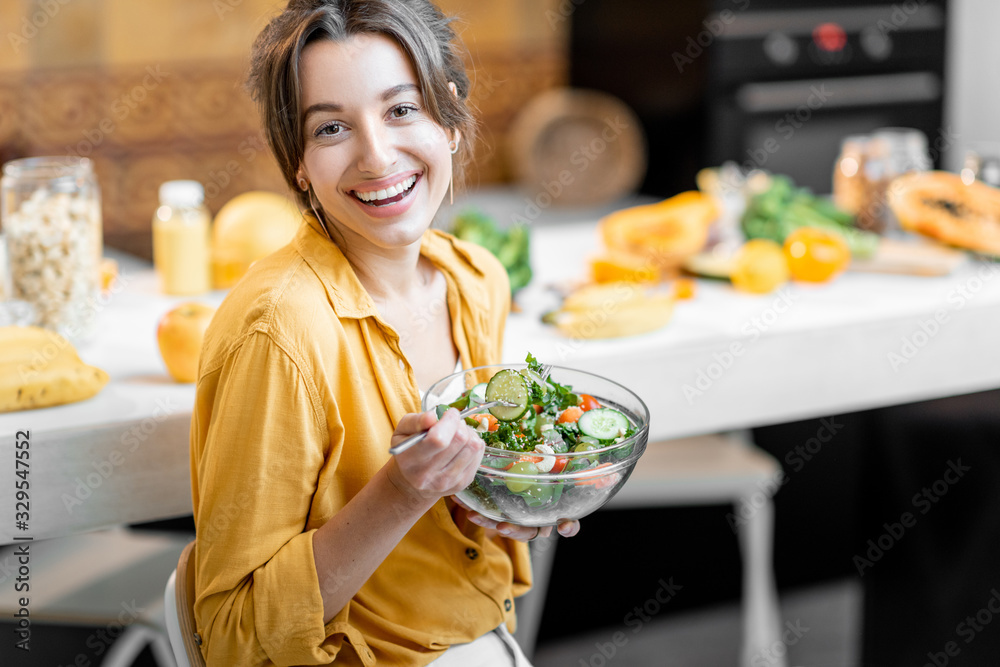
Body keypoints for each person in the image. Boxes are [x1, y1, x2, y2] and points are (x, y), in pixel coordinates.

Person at [188, 1, 579, 665]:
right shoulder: (279, 330)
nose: (377, 155)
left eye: (402, 110)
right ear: (299, 165)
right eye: (333, 127)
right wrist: (401, 490)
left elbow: (460, 527)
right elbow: (232, 636)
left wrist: (515, 499)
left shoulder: (475, 279)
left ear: (449, 118)